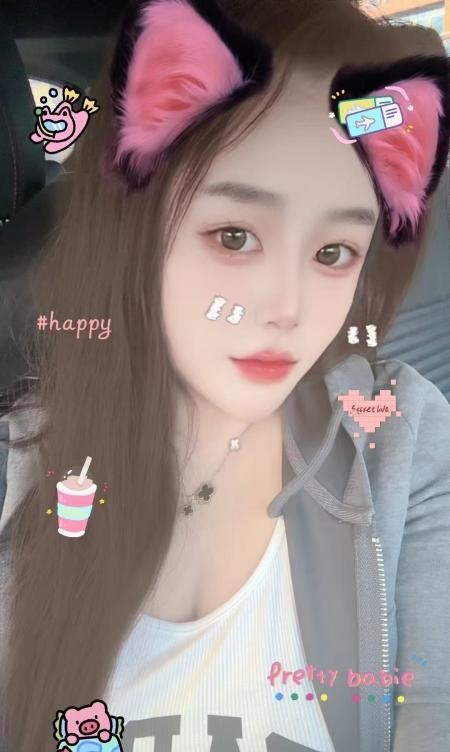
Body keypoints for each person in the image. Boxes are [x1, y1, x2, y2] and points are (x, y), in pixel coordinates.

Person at [0, 1, 449, 750]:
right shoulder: (18, 464)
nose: (288, 308)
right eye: (235, 236)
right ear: (131, 231)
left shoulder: (399, 438)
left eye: (333, 252)